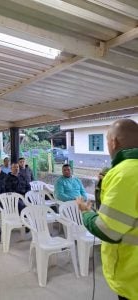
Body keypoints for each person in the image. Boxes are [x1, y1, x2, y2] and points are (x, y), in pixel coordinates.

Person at [77, 119, 138, 300]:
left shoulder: (123, 174)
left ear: (113, 142)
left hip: (133, 276)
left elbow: (107, 230)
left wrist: (85, 212)